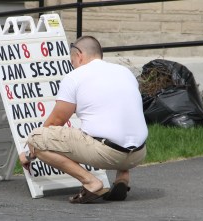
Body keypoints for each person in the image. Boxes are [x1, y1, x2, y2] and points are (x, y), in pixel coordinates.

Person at [19, 36, 148, 204]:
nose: (73, 65)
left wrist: (29, 152)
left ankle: (91, 182)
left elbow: (55, 122)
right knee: (117, 121)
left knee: (37, 139)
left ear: (79, 55)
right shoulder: (125, 72)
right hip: (139, 153)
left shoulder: (75, 76)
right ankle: (122, 177)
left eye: (72, 61)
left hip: (107, 154)